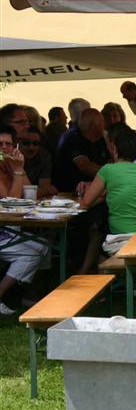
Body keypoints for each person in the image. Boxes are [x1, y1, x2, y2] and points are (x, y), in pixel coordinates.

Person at [79, 124, 136, 256]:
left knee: (95, 232)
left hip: (120, 238)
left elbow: (85, 203)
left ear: (114, 148)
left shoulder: (108, 170)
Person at [0, 126, 48, 314]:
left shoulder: (11, 168)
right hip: (4, 227)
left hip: (9, 229)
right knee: (32, 254)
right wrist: (19, 170)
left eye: (9, 144)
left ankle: (29, 295)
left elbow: (30, 197)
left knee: (44, 245)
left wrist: (19, 170)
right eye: (0, 144)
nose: (4, 148)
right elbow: (8, 205)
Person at [19, 126, 57, 197]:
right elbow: (22, 192)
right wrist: (46, 191)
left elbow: (44, 187)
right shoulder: (10, 156)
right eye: (26, 143)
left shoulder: (44, 156)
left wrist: (43, 191)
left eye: (36, 143)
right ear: (18, 144)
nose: (31, 147)